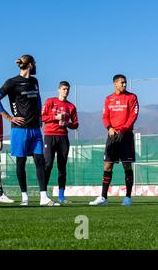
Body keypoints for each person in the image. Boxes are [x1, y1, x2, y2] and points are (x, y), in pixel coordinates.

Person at [0, 55, 59, 206]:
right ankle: (25, 198)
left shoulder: (35, 81)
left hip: (35, 130)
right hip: (20, 130)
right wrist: (8, 117)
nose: (36, 66)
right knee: (20, 162)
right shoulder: (12, 83)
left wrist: (40, 117)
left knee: (40, 161)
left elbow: (38, 99)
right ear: (29, 65)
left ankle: (43, 197)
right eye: (35, 64)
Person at [89, 74, 139, 206]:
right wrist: (109, 128)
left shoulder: (132, 97)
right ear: (115, 84)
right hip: (112, 135)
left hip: (126, 135)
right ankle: (103, 197)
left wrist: (124, 129)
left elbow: (133, 115)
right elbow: (105, 116)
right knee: (107, 165)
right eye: (122, 83)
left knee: (126, 165)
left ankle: (128, 197)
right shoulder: (109, 99)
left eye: (125, 83)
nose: (124, 85)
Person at [42, 81, 79, 204]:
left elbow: (75, 124)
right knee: (47, 165)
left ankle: (61, 196)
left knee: (62, 167)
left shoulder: (71, 107)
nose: (66, 91)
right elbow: (41, 117)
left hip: (63, 138)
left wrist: (67, 124)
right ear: (58, 90)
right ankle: (44, 195)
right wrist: (55, 117)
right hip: (49, 136)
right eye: (63, 89)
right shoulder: (50, 101)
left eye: (67, 89)